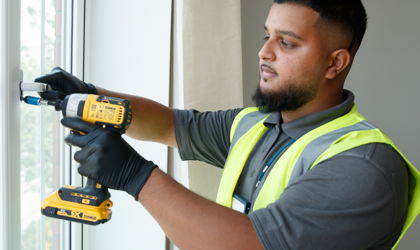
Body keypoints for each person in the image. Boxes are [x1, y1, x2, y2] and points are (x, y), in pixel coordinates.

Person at [35, 0, 420, 249]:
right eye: (267, 35)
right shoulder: (257, 125)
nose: (264, 52)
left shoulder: (363, 167)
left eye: (286, 43)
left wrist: (136, 175)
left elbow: (250, 245)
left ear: (335, 64)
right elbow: (170, 126)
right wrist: (86, 95)